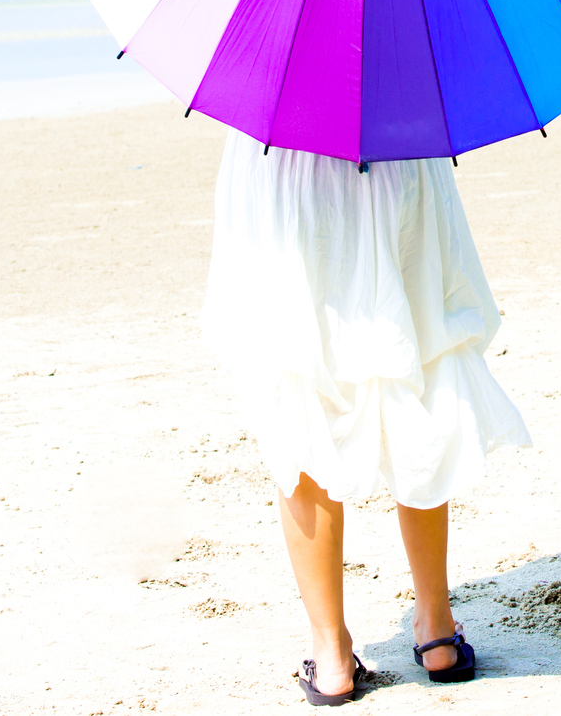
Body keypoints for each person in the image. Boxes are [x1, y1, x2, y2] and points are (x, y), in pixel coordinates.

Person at [202, 139, 532, 705]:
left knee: (300, 383)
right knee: (418, 369)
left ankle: (331, 655)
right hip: (398, 144)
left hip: (285, 163)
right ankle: (436, 630)